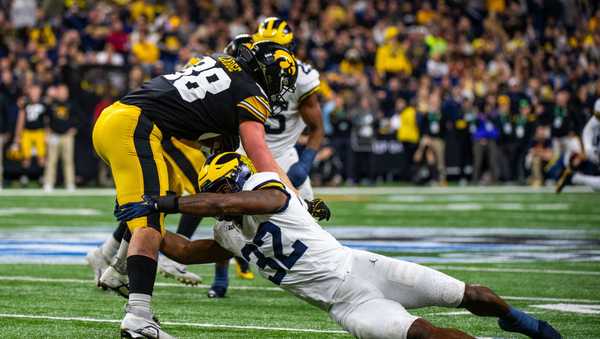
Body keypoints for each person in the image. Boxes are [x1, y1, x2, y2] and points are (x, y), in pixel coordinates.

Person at [115, 152, 562, 339]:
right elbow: (186, 250)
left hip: (365, 268)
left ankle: (521, 323)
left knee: (473, 296)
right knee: (425, 334)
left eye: (222, 193)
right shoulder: (227, 233)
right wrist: (140, 222)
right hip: (345, 308)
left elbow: (223, 200)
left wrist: (167, 200)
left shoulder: (268, 188)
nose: (220, 207)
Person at [91, 41, 298, 338]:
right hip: (135, 127)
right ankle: (138, 318)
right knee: (150, 218)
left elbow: (203, 130)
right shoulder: (251, 92)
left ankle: (118, 270)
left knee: (157, 201)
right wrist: (293, 196)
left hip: (118, 117)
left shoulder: (221, 66)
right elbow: (259, 152)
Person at [203, 18, 325, 298]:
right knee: (227, 217)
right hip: (244, 150)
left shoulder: (302, 78)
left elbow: (317, 128)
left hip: (281, 154)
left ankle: (317, 277)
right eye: (266, 47)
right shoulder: (243, 67)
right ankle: (220, 277)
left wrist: (304, 163)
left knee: (308, 219)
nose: (273, 56)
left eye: (279, 49)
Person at [556, 98, 600, 193]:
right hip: (595, 152)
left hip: (595, 151)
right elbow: (587, 131)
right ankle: (575, 177)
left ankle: (575, 178)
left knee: (596, 187)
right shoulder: (594, 121)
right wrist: (589, 150)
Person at [43, 84, 78, 191]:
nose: (63, 94)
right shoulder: (51, 104)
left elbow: (79, 118)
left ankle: (70, 183)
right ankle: (48, 183)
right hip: (54, 135)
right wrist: (47, 131)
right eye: (61, 92)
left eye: (64, 92)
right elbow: (45, 118)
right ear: (57, 93)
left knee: (68, 161)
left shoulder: (71, 104)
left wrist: (74, 128)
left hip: (67, 136)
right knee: (51, 160)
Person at [12, 84, 48, 175]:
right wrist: (17, 135)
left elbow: (47, 120)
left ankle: (42, 178)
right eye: (33, 92)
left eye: (36, 92)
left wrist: (48, 133)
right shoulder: (25, 103)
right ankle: (24, 178)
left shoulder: (44, 103)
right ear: (29, 93)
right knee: (26, 157)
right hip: (27, 132)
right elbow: (21, 120)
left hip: (40, 132)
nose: (35, 94)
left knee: (41, 157)